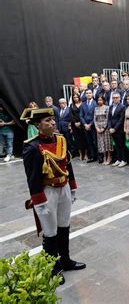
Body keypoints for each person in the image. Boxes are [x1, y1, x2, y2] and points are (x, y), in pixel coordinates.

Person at [22, 108, 86, 285]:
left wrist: (72, 187)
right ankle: (53, 266)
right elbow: (33, 177)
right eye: (47, 121)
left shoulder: (61, 140)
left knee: (64, 226)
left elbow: (68, 165)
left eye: (52, 119)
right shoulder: (32, 147)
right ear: (37, 125)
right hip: (47, 191)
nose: (52, 123)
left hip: (63, 187)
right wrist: (38, 200)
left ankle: (65, 260)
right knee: (50, 232)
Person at [108, 92, 127, 167]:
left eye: (117, 97)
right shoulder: (110, 107)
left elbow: (121, 120)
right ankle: (118, 159)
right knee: (116, 145)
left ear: (119, 98)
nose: (115, 99)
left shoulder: (122, 107)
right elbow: (109, 118)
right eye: (114, 98)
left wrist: (115, 129)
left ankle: (124, 160)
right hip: (112, 129)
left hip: (119, 129)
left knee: (121, 145)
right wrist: (109, 127)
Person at [80, 89, 98, 163]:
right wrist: (85, 124)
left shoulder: (95, 103)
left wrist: (90, 124)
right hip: (86, 126)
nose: (88, 94)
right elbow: (81, 115)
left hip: (93, 126)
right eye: (87, 93)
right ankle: (92, 157)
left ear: (92, 94)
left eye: (90, 93)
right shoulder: (83, 104)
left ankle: (99, 157)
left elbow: (96, 116)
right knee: (89, 142)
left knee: (95, 142)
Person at [94, 95, 112, 165]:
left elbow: (108, 119)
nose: (99, 101)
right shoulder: (96, 108)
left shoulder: (107, 108)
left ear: (103, 100)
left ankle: (109, 157)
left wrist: (103, 128)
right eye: (98, 100)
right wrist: (97, 128)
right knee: (101, 143)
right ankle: (104, 157)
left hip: (105, 128)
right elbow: (94, 119)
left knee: (107, 143)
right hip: (98, 128)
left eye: (101, 100)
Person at [69, 94, 87, 161]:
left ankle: (86, 154)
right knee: (77, 140)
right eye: (74, 97)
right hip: (75, 125)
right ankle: (80, 154)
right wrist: (75, 123)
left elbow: (84, 114)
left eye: (76, 97)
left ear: (79, 97)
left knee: (84, 139)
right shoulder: (71, 105)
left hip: (82, 124)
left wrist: (81, 122)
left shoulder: (83, 104)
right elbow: (71, 115)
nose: (75, 98)